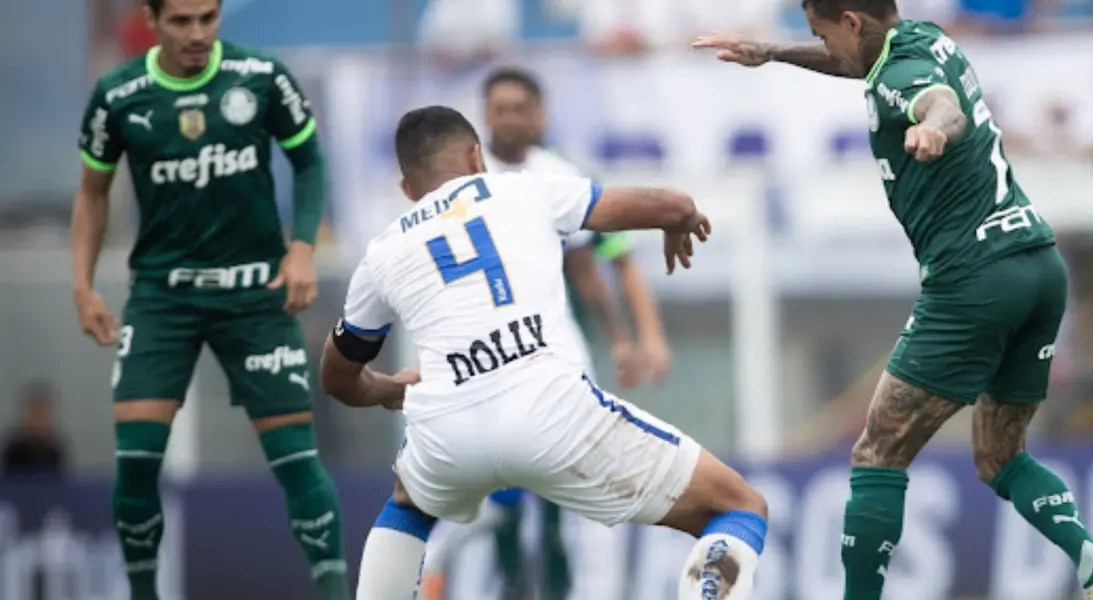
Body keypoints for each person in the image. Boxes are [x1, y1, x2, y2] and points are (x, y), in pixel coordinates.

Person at [694, 5, 1093, 600]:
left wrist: (934, 130)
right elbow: (866, 67)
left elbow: (941, 105)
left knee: (877, 452)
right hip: (1038, 265)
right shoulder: (920, 39)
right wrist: (772, 52)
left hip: (973, 279)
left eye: (822, 34)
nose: (824, 46)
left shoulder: (902, 78)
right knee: (1001, 455)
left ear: (852, 22)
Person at [320, 105, 768, 600]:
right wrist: (679, 220)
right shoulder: (526, 188)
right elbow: (669, 203)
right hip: (552, 414)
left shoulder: (383, 251)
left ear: (406, 189)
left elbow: (337, 378)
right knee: (738, 506)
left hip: (448, 429)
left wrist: (388, 388)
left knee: (409, 503)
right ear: (476, 158)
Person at [71, 1, 350, 599]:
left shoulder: (261, 76)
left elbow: (309, 161)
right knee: (137, 462)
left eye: (208, 17)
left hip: (256, 295)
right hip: (162, 298)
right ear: (151, 20)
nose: (197, 33)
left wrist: (303, 246)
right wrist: (82, 285)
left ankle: (335, 592)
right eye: (181, 21)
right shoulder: (119, 95)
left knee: (297, 459)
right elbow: (93, 191)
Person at [419, 66, 674, 600]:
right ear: (483, 117)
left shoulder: (560, 177)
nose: (509, 119)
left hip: (553, 353)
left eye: (519, 108)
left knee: (560, 490)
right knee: (499, 490)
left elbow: (597, 266)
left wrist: (627, 339)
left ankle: (555, 587)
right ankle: (495, 579)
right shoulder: (460, 184)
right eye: (499, 109)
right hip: (486, 358)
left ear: (540, 114)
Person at [1, 382, 69, 478]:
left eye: (43, 414)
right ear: (27, 415)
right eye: (35, 412)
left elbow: (60, 482)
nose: (39, 420)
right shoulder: (13, 450)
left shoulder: (55, 451)